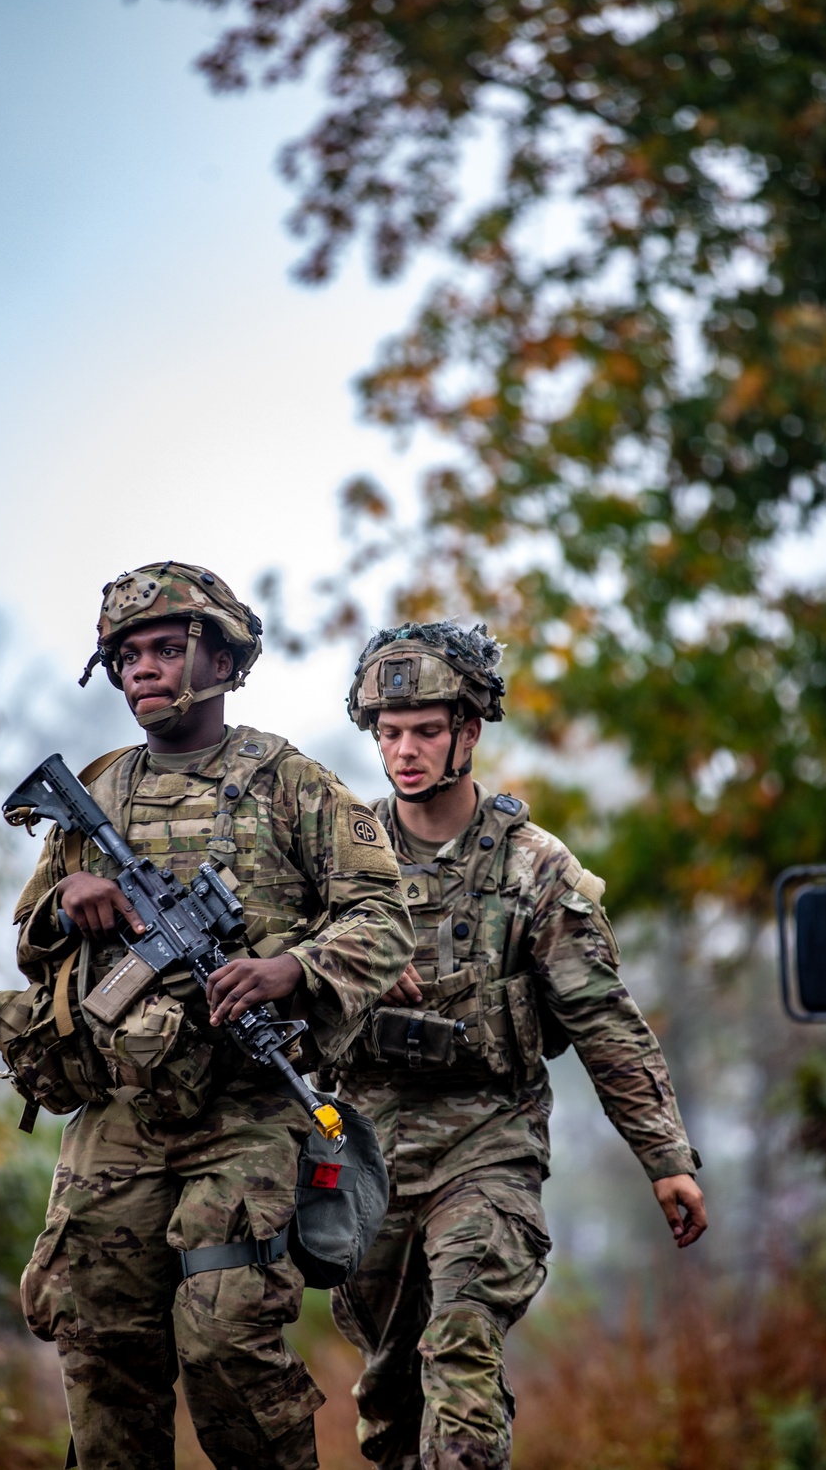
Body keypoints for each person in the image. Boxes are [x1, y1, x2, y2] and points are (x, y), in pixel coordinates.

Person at [10, 563, 415, 1470]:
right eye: (126, 657)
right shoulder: (99, 792)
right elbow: (30, 941)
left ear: (223, 661)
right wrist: (67, 900)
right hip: (115, 1115)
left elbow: (384, 919)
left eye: (165, 649)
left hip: (244, 1109)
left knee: (228, 1341)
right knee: (99, 1345)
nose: (142, 671)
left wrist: (290, 969)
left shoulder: (289, 784)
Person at [325, 620, 707, 1470]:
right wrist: (344, 965)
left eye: (426, 729)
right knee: (389, 1402)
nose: (406, 750)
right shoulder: (341, 865)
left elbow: (606, 1021)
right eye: (389, 733)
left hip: (487, 1148)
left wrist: (666, 1157)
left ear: (469, 729)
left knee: (460, 1343)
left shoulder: (535, 869)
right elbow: (267, 979)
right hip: (365, 1159)